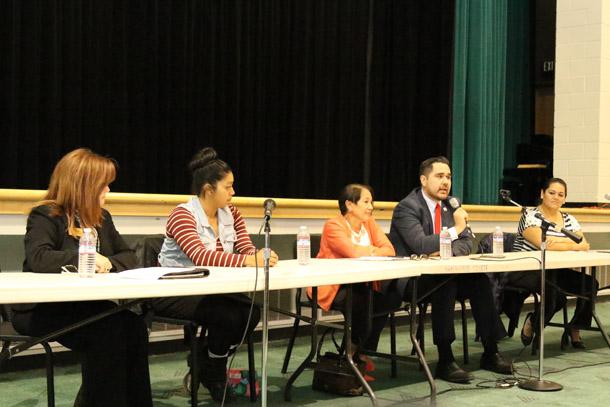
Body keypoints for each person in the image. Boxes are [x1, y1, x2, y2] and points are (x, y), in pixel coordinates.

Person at [11, 148, 152, 407]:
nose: (108, 191)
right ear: (84, 185)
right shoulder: (46, 215)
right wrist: (84, 260)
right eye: (104, 185)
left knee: (134, 328)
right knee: (107, 333)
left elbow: (129, 257)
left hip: (84, 305)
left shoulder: (101, 219)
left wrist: (107, 262)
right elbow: (39, 258)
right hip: (41, 308)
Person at [153, 147, 276, 402]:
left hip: (212, 290)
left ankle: (208, 360)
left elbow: (244, 247)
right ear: (209, 190)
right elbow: (201, 257)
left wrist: (261, 253)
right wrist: (248, 260)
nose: (233, 192)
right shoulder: (182, 215)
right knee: (227, 316)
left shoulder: (232, 214)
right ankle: (215, 371)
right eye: (228, 187)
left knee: (252, 310)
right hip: (176, 291)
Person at [389, 156, 512, 383]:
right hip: (411, 278)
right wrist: (455, 229)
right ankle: (445, 359)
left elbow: (467, 243)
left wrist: (445, 251)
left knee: (479, 280)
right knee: (445, 283)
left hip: (442, 271)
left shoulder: (451, 205)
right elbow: (420, 245)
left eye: (448, 177)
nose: (446, 182)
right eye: (439, 176)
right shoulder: (407, 207)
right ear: (424, 180)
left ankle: (490, 350)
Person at [308, 184, 401, 374]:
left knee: (391, 297)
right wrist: (375, 251)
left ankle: (359, 350)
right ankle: (352, 357)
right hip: (332, 286)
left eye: (371, 202)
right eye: (366, 202)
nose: (371, 207)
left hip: (363, 285)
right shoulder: (333, 225)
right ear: (350, 205)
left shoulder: (370, 224)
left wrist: (368, 251)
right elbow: (351, 252)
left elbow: (389, 250)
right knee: (361, 299)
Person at [508, 177, 597, 349]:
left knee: (590, 284)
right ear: (542, 193)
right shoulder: (530, 215)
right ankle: (534, 322)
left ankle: (576, 327)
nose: (556, 197)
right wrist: (571, 245)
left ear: (565, 199)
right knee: (557, 296)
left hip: (556, 270)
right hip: (526, 270)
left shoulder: (569, 219)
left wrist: (560, 245)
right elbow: (543, 244)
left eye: (561, 194)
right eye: (552, 193)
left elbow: (584, 244)